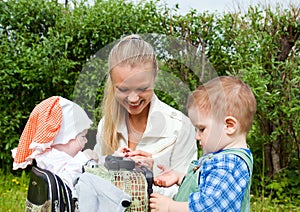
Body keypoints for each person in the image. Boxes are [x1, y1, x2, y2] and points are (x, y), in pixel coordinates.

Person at [94, 34, 198, 197]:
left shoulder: (180, 127)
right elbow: (94, 185)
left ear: (155, 77)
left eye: (142, 88)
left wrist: (148, 179)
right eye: (123, 90)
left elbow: (188, 194)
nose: (133, 99)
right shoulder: (105, 125)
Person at [149, 76, 257, 211]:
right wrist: (180, 177)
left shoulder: (229, 164)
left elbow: (208, 207)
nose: (197, 136)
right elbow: (206, 187)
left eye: (201, 129)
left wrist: (171, 206)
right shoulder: (221, 159)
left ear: (229, 126)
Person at [12, 96, 131, 212]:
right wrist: (83, 158)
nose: (85, 141)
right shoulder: (51, 159)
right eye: (82, 136)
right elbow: (67, 183)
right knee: (88, 179)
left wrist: (113, 157)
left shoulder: (62, 156)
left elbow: (94, 165)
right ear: (64, 138)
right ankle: (121, 202)